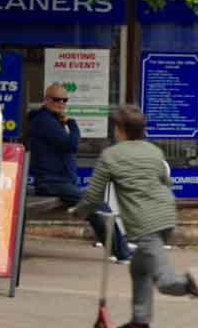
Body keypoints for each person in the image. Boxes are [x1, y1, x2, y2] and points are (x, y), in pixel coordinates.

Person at [75, 104, 198, 328]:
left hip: (146, 221)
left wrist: (79, 211)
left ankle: (189, 284)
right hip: (166, 212)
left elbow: (93, 195)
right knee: (140, 268)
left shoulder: (110, 156)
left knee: (164, 279)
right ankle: (140, 321)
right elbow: (165, 184)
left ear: (120, 130)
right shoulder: (154, 151)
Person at [27, 85, 130, 262]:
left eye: (64, 100)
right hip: (52, 182)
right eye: (56, 99)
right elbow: (71, 144)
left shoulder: (52, 120)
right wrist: (71, 123)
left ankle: (117, 250)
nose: (61, 103)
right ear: (46, 100)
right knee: (100, 207)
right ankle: (122, 252)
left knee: (94, 211)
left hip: (61, 181)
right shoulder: (45, 121)